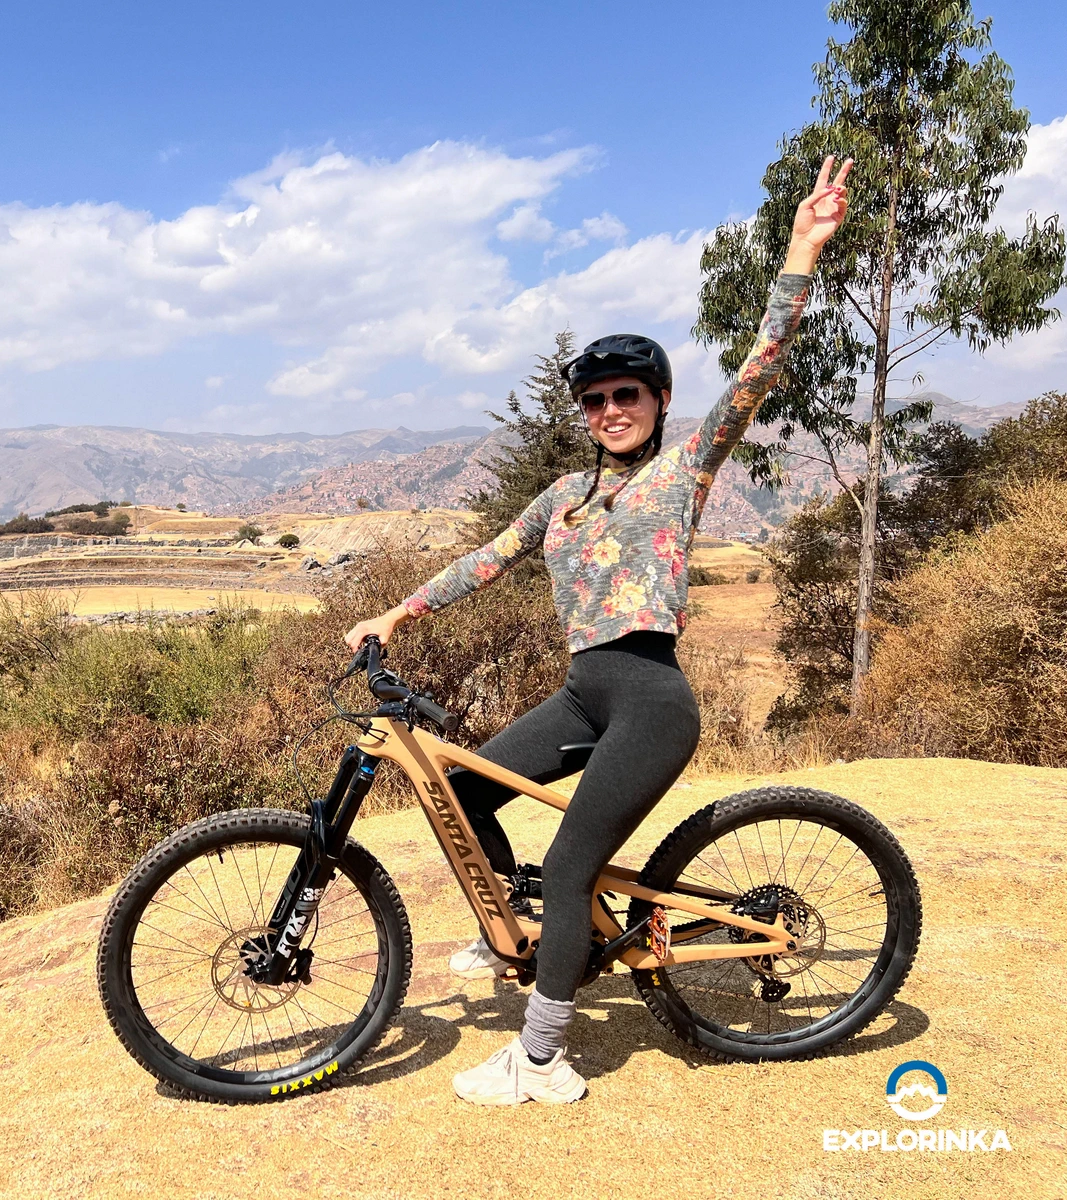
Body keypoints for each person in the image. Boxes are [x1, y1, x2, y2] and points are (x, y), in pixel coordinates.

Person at [343, 156, 853, 1106]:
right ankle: (530, 936)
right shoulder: (562, 499)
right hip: (585, 691)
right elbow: (484, 558)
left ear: (657, 404)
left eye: (628, 395)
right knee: (462, 791)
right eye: (596, 400)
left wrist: (800, 251)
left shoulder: (683, 471)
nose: (611, 409)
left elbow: (758, 370)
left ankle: (543, 1057)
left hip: (650, 699)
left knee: (575, 861)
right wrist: (396, 612)